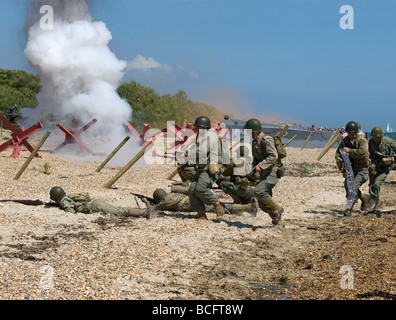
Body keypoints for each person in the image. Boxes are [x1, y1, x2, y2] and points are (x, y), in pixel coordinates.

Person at [244, 118, 286, 227]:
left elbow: (273, 156)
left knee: (259, 191)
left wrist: (261, 166)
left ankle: (278, 208)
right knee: (263, 204)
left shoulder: (266, 140)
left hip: (274, 171)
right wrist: (253, 168)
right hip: (265, 172)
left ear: (254, 131)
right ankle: (279, 224)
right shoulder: (254, 142)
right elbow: (257, 158)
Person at [187, 116, 226, 220]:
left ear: (202, 127)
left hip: (211, 168)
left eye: (197, 127)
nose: (195, 129)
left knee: (200, 188)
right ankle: (201, 214)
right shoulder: (204, 136)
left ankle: (218, 205)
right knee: (192, 190)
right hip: (203, 168)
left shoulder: (210, 136)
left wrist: (188, 153)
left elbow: (202, 151)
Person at [142, 188, 258, 217]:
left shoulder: (164, 202)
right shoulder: (172, 195)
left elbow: (153, 209)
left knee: (220, 208)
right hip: (195, 199)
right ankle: (245, 207)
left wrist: (146, 202)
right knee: (219, 204)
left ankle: (248, 208)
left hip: (192, 206)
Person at [49, 186, 153, 218]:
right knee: (119, 209)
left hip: (95, 206)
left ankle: (144, 212)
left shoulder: (64, 201)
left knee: (121, 211)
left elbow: (70, 212)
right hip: (96, 201)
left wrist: (62, 208)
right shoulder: (67, 197)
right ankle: (145, 210)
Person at [335, 121, 370, 216]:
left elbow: (363, 152)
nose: (350, 134)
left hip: (362, 170)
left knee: (353, 187)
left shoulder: (362, 141)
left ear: (356, 132)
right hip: (351, 170)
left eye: (352, 132)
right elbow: (338, 154)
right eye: (348, 132)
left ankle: (348, 209)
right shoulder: (345, 141)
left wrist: (350, 151)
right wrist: (342, 164)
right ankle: (364, 198)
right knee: (347, 186)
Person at [365, 126, 396, 211]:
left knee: (376, 184)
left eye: (378, 137)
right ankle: (378, 202)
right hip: (374, 167)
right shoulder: (369, 143)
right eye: (375, 136)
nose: (376, 138)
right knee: (372, 186)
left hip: (384, 168)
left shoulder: (387, 141)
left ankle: (373, 204)